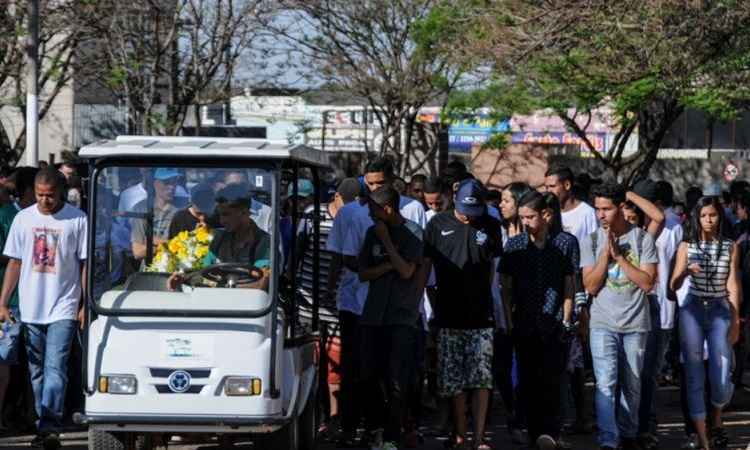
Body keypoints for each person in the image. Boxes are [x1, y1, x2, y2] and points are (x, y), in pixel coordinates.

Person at [0, 169, 87, 448]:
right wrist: (3, 301)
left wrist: (84, 303)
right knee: (35, 369)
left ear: (60, 192)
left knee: (55, 367)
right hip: (30, 305)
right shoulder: (23, 219)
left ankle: (50, 425)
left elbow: (84, 263)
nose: (45, 201)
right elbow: (14, 262)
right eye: (39, 195)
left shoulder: (77, 219)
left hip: (64, 304)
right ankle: (42, 423)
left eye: (50, 195)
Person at [423, 179, 502, 450]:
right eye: (463, 210)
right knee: (452, 380)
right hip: (448, 315)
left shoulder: (491, 225)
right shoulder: (436, 224)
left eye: (473, 211)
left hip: (481, 316)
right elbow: (426, 268)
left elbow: (492, 267)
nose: (468, 217)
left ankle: (479, 438)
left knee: (481, 379)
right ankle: (460, 434)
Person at [580, 182, 658, 450]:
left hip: (635, 323)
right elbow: (590, 286)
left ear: (621, 208)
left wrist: (621, 259)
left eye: (607, 208)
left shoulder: (642, 239)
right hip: (602, 323)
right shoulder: (590, 239)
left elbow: (648, 283)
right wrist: (605, 255)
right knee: (605, 382)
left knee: (632, 385)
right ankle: (608, 439)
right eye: (597, 209)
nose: (601, 214)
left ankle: (628, 433)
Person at [501, 190, 576, 450]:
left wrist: (567, 319)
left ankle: (551, 432)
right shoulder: (515, 244)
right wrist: (509, 320)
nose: (526, 222)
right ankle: (532, 431)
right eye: (522, 217)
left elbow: (569, 283)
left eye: (530, 216)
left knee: (553, 380)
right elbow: (506, 285)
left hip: (554, 322)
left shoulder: (565, 243)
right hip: (524, 321)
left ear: (546, 215)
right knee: (527, 379)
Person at [670, 196, 740, 450]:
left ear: (719, 217)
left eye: (713, 215)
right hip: (692, 309)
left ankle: (717, 415)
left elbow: (733, 284)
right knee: (694, 375)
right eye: (703, 215)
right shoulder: (686, 246)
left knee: (721, 379)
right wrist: (686, 271)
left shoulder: (731, 246)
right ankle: (702, 438)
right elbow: (673, 285)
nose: (708, 220)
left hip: (720, 309)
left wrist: (735, 320)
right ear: (696, 218)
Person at [358, 185, 424, 450]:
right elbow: (363, 273)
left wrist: (387, 242)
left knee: (397, 379)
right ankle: (375, 427)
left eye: (374, 209)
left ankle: (393, 435)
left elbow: (408, 271)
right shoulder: (370, 233)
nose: (370, 214)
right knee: (369, 375)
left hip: (401, 316)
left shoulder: (413, 233)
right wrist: (387, 265)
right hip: (373, 315)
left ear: (387, 209)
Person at [0, 167, 38, 431]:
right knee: (4, 362)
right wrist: (21, 256)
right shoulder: (7, 216)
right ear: (26, 192)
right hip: (10, 302)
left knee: (31, 364)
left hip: (35, 302)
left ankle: (28, 415)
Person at [130, 168, 182, 261]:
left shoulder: (182, 208)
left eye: (174, 182)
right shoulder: (141, 208)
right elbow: (137, 252)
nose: (172, 187)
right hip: (149, 268)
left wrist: (154, 241)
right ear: (155, 184)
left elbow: (186, 246)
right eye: (166, 182)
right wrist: (172, 244)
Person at [545, 166, 598, 243]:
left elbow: (595, 245)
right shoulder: (546, 213)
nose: (549, 191)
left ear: (567, 185)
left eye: (552, 186)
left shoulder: (588, 213)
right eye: (546, 187)